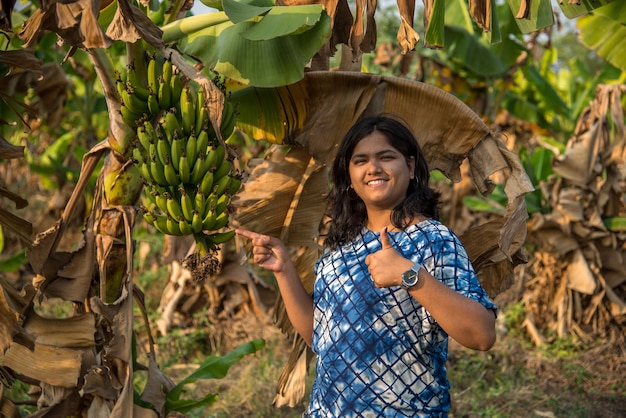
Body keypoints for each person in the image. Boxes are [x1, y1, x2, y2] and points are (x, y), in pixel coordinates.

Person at [236, 115, 497, 417]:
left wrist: (409, 275)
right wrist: (284, 271)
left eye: (386, 157)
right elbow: (322, 337)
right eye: (360, 160)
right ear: (348, 175)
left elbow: (482, 335)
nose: (373, 168)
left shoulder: (433, 239)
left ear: (410, 167)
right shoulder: (341, 246)